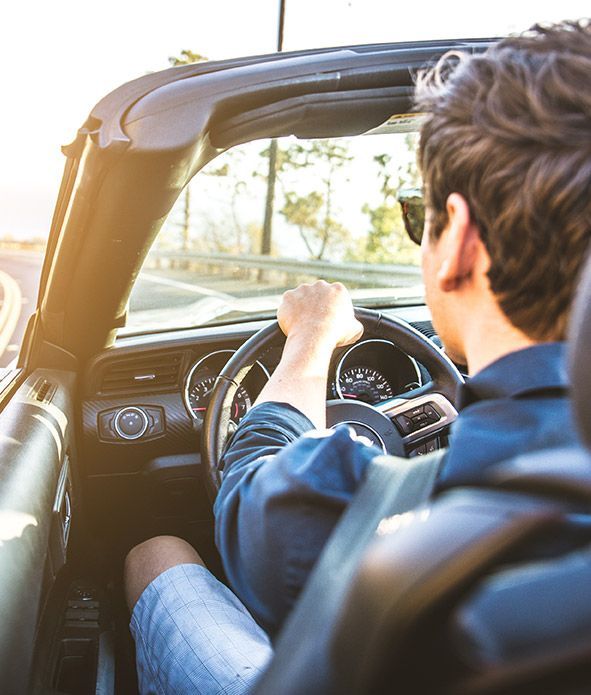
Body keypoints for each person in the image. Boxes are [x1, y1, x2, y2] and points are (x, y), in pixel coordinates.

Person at [124, 19, 591, 694]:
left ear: (456, 237)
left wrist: (311, 336)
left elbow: (247, 483)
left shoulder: (358, 509)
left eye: (417, 216)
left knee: (157, 552)